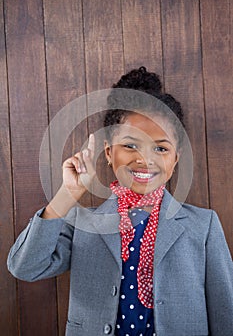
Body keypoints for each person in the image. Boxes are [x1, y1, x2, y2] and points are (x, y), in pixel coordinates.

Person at [7, 67, 233, 336]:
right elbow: (25, 266)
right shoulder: (83, 223)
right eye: (130, 145)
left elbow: (225, 315)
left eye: (160, 148)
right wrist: (68, 195)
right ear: (108, 153)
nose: (145, 160)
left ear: (176, 158)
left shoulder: (203, 226)